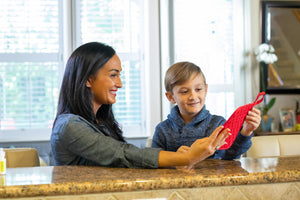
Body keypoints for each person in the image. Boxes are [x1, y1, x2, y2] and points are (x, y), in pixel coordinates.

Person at [50, 42, 231, 169]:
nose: (119, 83)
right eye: (113, 75)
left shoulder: (100, 123)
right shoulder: (69, 126)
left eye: (119, 75)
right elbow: (122, 154)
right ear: (89, 79)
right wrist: (186, 157)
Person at [151, 62, 261, 160]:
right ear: (171, 97)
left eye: (198, 89)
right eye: (184, 91)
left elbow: (230, 155)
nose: (193, 96)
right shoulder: (162, 130)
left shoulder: (218, 124)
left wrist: (246, 131)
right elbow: (154, 162)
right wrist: (177, 158)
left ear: (206, 90)